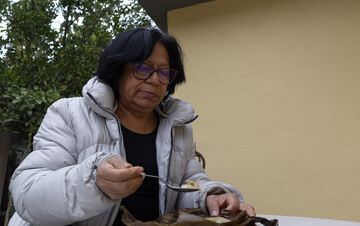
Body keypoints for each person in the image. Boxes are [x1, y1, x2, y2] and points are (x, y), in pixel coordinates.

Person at [9, 27, 255, 226]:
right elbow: (28, 194)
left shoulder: (178, 130)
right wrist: (93, 182)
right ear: (118, 69)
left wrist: (211, 195)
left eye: (164, 72)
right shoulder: (69, 113)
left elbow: (189, 183)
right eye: (143, 68)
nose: (155, 80)